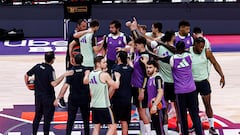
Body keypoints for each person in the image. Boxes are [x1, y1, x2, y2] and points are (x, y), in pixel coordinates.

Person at [24, 51, 73, 135]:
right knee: (47, 120)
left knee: (37, 117)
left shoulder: (37, 66)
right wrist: (63, 75)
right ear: (53, 60)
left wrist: (28, 85)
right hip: (48, 98)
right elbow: (54, 83)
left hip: (38, 97)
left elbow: (26, 75)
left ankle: (34, 133)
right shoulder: (50, 70)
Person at [160, 41, 203, 135]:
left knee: (182, 116)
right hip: (191, 89)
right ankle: (199, 133)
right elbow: (177, 50)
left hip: (180, 92)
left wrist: (149, 50)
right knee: (195, 114)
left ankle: (185, 133)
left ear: (176, 48)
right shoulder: (189, 56)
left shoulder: (172, 59)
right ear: (184, 48)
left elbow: (160, 58)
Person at [190, 37, 225, 135]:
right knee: (194, 107)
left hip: (204, 82)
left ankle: (211, 127)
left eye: (203, 47)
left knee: (208, 105)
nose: (201, 49)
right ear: (195, 44)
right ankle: (195, 124)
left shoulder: (207, 52)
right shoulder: (188, 52)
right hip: (192, 83)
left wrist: (222, 75)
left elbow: (215, 63)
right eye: (200, 47)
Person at [54, 53, 91, 135]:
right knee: (86, 120)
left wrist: (58, 98)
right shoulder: (86, 70)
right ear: (82, 61)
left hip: (73, 98)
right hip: (85, 98)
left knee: (70, 119)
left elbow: (65, 86)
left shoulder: (71, 72)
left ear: (73, 61)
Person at [86, 56, 121, 135]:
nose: (106, 63)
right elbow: (116, 86)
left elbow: (91, 91)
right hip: (104, 105)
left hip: (94, 105)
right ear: (98, 64)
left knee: (96, 127)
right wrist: (118, 78)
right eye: (104, 62)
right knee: (113, 126)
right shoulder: (104, 75)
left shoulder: (91, 74)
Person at [61, 19, 88, 109]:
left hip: (81, 58)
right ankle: (61, 98)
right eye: (83, 26)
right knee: (69, 78)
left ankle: (81, 98)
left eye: (86, 26)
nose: (85, 28)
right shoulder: (74, 33)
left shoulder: (85, 33)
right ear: (78, 26)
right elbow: (71, 46)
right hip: (72, 58)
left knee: (81, 78)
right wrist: (71, 57)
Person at [111, 51, 133, 135]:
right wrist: (129, 60)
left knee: (114, 122)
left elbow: (113, 85)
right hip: (127, 98)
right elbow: (131, 66)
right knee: (124, 121)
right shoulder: (130, 69)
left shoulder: (115, 69)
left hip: (117, 98)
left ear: (119, 58)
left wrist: (109, 97)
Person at [146, 60, 166, 135]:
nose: (148, 69)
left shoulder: (157, 78)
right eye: (147, 67)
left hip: (158, 107)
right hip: (152, 106)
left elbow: (160, 92)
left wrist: (154, 106)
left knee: (160, 130)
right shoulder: (150, 78)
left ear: (155, 68)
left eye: (150, 67)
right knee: (157, 129)